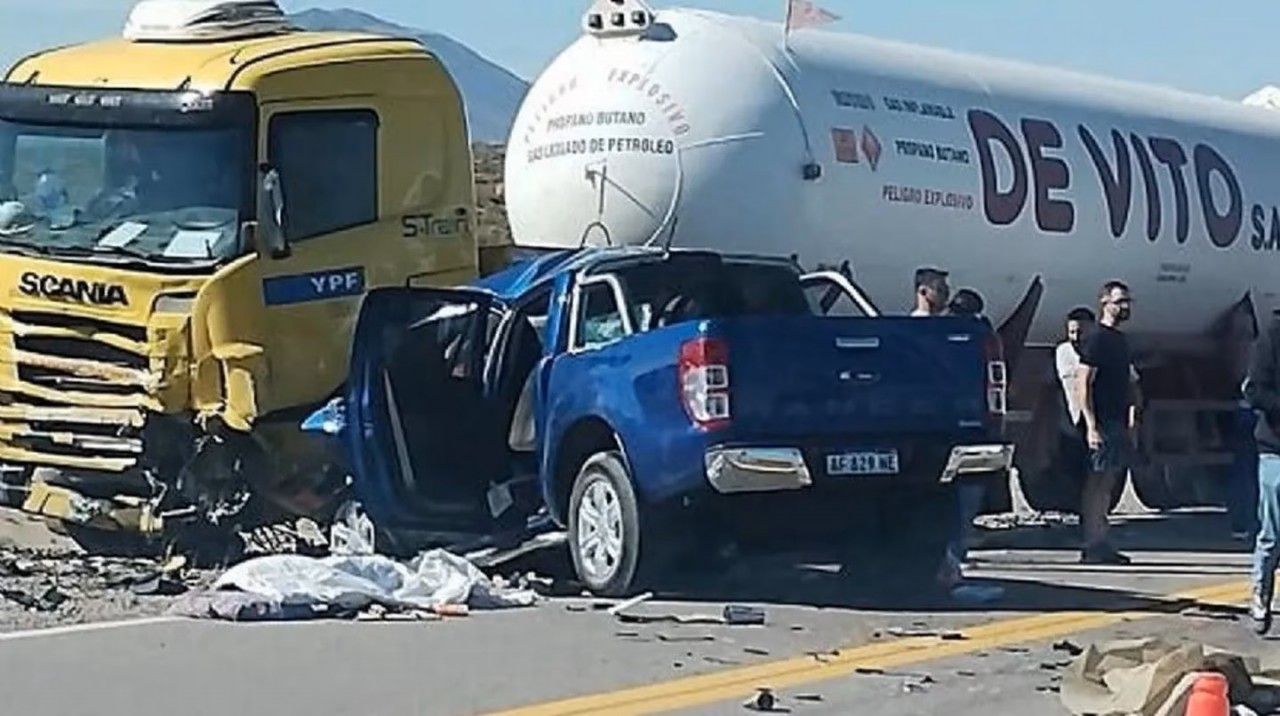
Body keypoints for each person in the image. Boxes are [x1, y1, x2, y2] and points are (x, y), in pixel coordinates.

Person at [1076, 281, 1140, 565]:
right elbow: (1084, 383)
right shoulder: (1096, 339)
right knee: (1097, 483)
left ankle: (1101, 539)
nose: (1124, 307)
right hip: (1101, 422)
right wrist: (1091, 425)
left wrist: (1131, 420)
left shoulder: (1120, 340)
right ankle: (1092, 542)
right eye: (1119, 302)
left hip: (1116, 420)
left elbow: (1128, 383)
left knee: (1108, 482)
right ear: (1104, 303)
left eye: (1127, 302)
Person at [945, 287, 992, 568]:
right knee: (968, 487)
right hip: (970, 419)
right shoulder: (979, 334)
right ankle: (957, 547)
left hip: (944, 420)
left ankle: (953, 549)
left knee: (959, 489)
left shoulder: (935, 332)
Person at [1242, 314, 1280, 635]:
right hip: (1276, 449)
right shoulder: (1272, 335)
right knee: (1272, 532)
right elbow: (1255, 390)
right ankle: (1261, 595)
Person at [1055, 307, 1097, 507]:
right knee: (1072, 472)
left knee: (1096, 475)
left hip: (1097, 420)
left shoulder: (1102, 351)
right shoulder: (1063, 351)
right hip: (1072, 421)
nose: (1076, 338)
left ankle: (1092, 517)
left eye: (1081, 332)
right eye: (1072, 332)